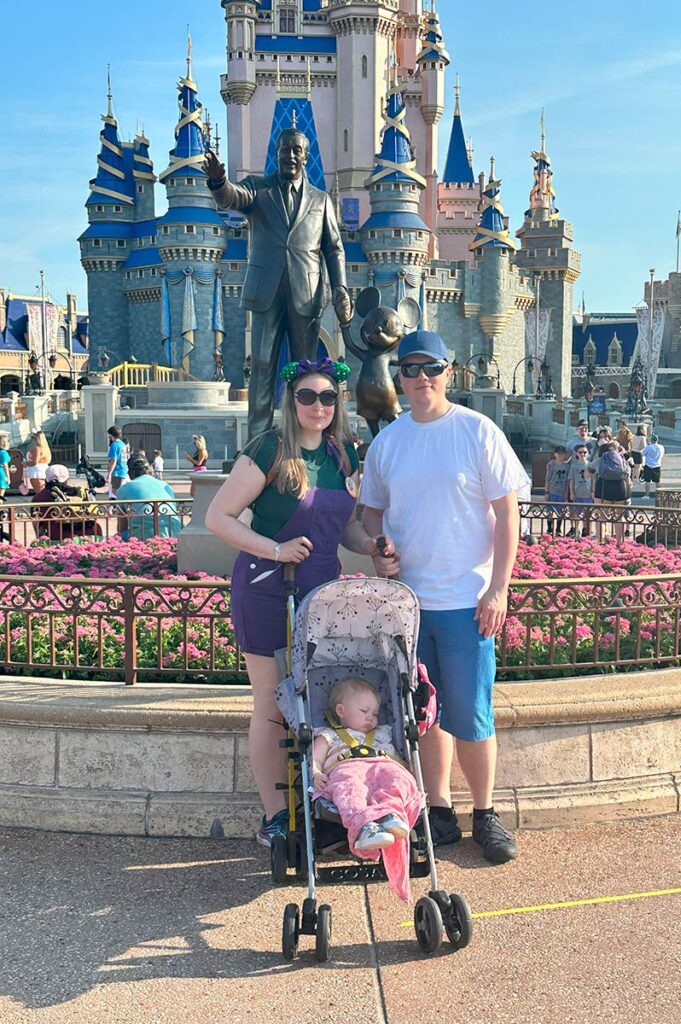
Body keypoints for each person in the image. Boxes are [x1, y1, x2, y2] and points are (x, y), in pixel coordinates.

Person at [360, 330, 530, 865]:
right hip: (409, 606)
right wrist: (378, 547)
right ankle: (440, 808)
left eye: (431, 367)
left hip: (465, 600)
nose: (421, 378)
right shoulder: (389, 441)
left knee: (472, 714)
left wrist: (498, 588)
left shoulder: (477, 431)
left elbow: (508, 517)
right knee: (425, 715)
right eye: (409, 369)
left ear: (448, 371)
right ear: (398, 379)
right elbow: (371, 512)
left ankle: (485, 812)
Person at [205, 356, 382, 847]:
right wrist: (275, 550)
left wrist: (370, 546)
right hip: (267, 588)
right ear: (292, 400)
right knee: (270, 705)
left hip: (323, 592)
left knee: (317, 699)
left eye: (328, 396)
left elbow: (341, 525)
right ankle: (276, 815)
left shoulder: (345, 454)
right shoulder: (269, 450)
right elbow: (221, 517)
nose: (318, 406)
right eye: (307, 396)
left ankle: (321, 800)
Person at [203, 130, 353, 440]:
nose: (290, 155)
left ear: (305, 156)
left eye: (297, 150)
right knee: (261, 365)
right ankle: (257, 441)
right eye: (285, 149)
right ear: (277, 152)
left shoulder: (321, 200)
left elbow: (334, 248)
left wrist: (341, 287)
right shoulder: (259, 189)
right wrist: (219, 182)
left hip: (307, 294)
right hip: (266, 292)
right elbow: (233, 197)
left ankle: (301, 436)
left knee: (305, 370)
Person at [312, 677, 423, 903]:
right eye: (364, 711)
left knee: (399, 780)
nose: (371, 718)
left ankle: (391, 814)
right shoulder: (328, 735)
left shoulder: (384, 731)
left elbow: (400, 755)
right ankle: (365, 827)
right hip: (346, 766)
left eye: (374, 712)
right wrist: (315, 773)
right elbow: (314, 759)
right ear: (341, 711)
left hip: (383, 765)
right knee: (350, 789)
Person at [115, 457, 181, 540]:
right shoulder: (166, 486)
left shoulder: (123, 489)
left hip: (143, 534)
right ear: (150, 470)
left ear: (130, 473)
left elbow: (122, 525)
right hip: (174, 531)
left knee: (119, 537)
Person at [30, 465, 100, 542]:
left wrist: (40, 539)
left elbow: (37, 525)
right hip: (92, 534)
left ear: (46, 479)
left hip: (59, 538)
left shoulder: (39, 498)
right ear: (67, 479)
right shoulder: (81, 493)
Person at [566, 443, 594, 537]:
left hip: (587, 493)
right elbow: (571, 479)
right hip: (577, 493)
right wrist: (571, 493)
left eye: (585, 452)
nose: (582, 454)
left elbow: (593, 479)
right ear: (577, 454)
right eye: (580, 452)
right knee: (576, 513)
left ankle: (586, 530)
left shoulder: (590, 465)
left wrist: (593, 491)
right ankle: (576, 530)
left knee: (587, 514)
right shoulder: (574, 466)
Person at [544, 445, 570, 535]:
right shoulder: (551, 464)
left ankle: (558, 529)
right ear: (555, 454)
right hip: (552, 491)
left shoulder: (567, 466)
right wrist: (546, 492)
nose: (560, 455)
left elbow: (568, 481)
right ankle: (549, 528)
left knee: (561, 512)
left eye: (562, 454)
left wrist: (566, 493)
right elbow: (547, 479)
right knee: (550, 511)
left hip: (562, 492)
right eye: (559, 454)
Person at [105, 425, 129, 499]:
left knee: (114, 493)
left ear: (112, 435)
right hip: (123, 471)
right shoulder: (122, 444)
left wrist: (109, 473)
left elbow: (113, 460)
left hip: (117, 472)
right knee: (119, 492)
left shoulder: (114, 445)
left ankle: (118, 509)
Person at [26, 429, 51, 494]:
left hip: (36, 472)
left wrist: (25, 463)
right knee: (43, 491)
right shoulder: (46, 449)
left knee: (39, 492)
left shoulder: (38, 449)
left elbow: (35, 462)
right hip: (44, 470)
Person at [642, 433, 666, 498]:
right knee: (657, 481)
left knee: (647, 481)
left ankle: (647, 495)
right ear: (657, 440)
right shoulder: (661, 447)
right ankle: (659, 495)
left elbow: (642, 453)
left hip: (648, 465)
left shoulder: (649, 447)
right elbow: (662, 454)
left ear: (651, 440)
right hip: (657, 465)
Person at [0, 433, 12, 504]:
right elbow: (5, 465)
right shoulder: (4, 453)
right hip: (1, 473)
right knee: (1, 495)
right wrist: (8, 477)